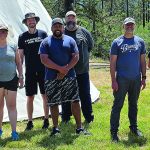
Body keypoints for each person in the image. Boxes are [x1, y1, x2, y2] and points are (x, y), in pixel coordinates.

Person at [39, 18, 88, 136]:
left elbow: (76, 56)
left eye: (59, 26)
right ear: (51, 28)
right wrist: (60, 69)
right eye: (55, 26)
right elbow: (44, 59)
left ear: (63, 27)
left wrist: (65, 70)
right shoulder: (45, 42)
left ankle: (79, 128)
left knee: (75, 101)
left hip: (70, 76)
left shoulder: (70, 40)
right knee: (53, 103)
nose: (57, 28)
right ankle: (55, 128)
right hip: (51, 77)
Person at [110, 17, 146, 142]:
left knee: (133, 104)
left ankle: (134, 127)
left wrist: (144, 77)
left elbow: (142, 61)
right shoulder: (117, 42)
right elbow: (112, 63)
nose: (129, 27)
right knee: (118, 105)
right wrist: (113, 80)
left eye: (131, 25)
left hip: (136, 79)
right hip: (121, 79)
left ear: (134, 26)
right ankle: (114, 132)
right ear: (123, 26)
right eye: (127, 25)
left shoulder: (140, 42)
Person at [18, 13, 49, 130]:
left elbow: (47, 52)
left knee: (45, 95)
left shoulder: (43, 34)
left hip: (43, 70)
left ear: (36, 21)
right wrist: (20, 72)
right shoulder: (22, 37)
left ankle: (46, 120)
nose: (31, 22)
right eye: (28, 20)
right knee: (30, 96)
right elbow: (21, 56)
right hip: (30, 71)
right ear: (26, 23)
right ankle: (30, 121)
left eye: (33, 20)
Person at [61, 11, 94, 124]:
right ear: (65, 20)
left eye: (73, 17)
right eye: (68, 17)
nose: (71, 19)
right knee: (66, 95)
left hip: (82, 71)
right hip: (66, 71)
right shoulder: (61, 32)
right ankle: (66, 117)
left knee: (85, 94)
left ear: (76, 19)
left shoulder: (84, 32)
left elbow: (90, 46)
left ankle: (88, 117)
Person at [0, 24, 24, 140]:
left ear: (7, 33)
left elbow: (18, 63)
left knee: (12, 106)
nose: (2, 33)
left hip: (11, 79)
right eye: (0, 31)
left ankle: (14, 132)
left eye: (4, 31)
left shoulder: (13, 46)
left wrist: (21, 76)